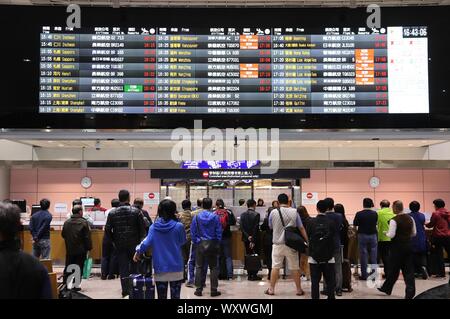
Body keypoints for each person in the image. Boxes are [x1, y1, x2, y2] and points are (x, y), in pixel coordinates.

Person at [134, 199, 186, 299]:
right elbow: (182, 241)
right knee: (176, 296)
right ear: (173, 211)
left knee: (161, 296)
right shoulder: (179, 226)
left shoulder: (153, 228)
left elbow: (145, 243)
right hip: (176, 267)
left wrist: (138, 251)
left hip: (160, 268)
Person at [0, 202, 52, 299]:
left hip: (35, 240)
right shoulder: (37, 267)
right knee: (45, 259)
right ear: (19, 226)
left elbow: (31, 227)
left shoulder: (34, 215)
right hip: (44, 239)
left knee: (35, 254)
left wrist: (35, 237)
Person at [264, 193, 308, 296]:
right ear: (288, 201)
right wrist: (307, 240)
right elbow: (301, 228)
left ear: (278, 202)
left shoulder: (273, 212)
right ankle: (298, 290)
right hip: (291, 244)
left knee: (275, 267)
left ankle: (271, 289)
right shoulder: (294, 212)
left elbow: (270, 226)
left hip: (277, 244)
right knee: (294, 267)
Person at [105, 189, 146, 298]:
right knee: (134, 267)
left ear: (119, 198)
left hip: (119, 244)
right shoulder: (137, 212)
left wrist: (114, 242)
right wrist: (141, 245)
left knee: (123, 268)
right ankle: (134, 290)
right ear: (129, 198)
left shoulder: (112, 213)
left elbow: (108, 231)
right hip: (134, 245)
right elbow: (143, 230)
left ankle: (125, 291)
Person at [378, 200, 416, 299]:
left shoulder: (394, 220)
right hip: (408, 246)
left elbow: (391, 235)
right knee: (408, 271)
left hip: (397, 248)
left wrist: (386, 233)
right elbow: (414, 233)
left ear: (395, 208)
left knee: (394, 269)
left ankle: (386, 288)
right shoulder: (410, 218)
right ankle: (409, 293)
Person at [191, 197, 222, 297]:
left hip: (200, 244)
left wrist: (197, 242)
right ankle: (213, 290)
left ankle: (198, 290)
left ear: (202, 205)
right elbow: (218, 231)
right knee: (213, 267)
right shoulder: (215, 217)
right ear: (211, 205)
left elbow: (193, 232)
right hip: (213, 243)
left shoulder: (196, 217)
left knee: (199, 267)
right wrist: (217, 243)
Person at [307, 200, 337, 299]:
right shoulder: (332, 222)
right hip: (329, 257)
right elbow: (334, 237)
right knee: (330, 281)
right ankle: (331, 297)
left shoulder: (311, 222)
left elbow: (308, 237)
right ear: (327, 209)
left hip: (314, 257)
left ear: (317, 208)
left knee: (315, 282)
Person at [62, 205, 93, 288]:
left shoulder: (66, 222)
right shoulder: (84, 222)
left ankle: (66, 284)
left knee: (69, 265)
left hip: (70, 249)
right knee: (79, 266)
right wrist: (89, 247)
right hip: (81, 249)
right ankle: (76, 285)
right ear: (80, 212)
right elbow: (87, 237)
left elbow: (63, 234)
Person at [322, 197, 343, 296]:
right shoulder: (339, 216)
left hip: (325, 244)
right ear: (332, 205)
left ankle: (326, 288)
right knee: (338, 267)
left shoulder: (323, 216)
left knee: (326, 267)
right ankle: (339, 289)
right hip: (336, 243)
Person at [353, 198, 378, 280]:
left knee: (363, 255)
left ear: (363, 204)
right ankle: (374, 274)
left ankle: (364, 275)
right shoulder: (375, 213)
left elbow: (355, 224)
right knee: (373, 255)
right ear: (371, 204)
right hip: (373, 235)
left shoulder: (359, 214)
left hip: (362, 235)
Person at [426, 199, 450, 278]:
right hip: (448, 236)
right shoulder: (448, 213)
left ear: (436, 205)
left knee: (438, 255)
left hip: (438, 236)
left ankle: (441, 273)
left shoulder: (435, 213)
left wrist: (426, 224)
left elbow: (431, 224)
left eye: (434, 205)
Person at [214, 198, 236, 280]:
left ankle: (217, 274)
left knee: (218, 256)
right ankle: (230, 275)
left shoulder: (214, 212)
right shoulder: (228, 212)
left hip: (217, 237)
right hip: (227, 236)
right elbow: (233, 222)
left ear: (216, 205)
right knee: (228, 257)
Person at [240, 199, 262, 281]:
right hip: (254, 238)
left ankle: (249, 274)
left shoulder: (243, 215)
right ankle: (254, 274)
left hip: (246, 239)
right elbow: (255, 228)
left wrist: (247, 236)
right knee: (255, 255)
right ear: (254, 205)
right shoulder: (256, 214)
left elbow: (241, 227)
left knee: (248, 255)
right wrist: (252, 239)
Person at [334, 203, 352, 292]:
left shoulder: (335, 219)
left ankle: (336, 284)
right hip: (345, 245)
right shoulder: (345, 221)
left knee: (336, 265)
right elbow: (348, 235)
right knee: (343, 263)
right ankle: (345, 283)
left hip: (336, 245)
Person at [408, 201, 429, 279]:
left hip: (412, 237)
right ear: (419, 207)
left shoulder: (408, 216)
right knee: (422, 254)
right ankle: (423, 267)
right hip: (422, 237)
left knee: (412, 255)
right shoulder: (422, 215)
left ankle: (415, 272)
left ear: (410, 208)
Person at [101, 198, 120, 280]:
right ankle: (111, 274)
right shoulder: (117, 212)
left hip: (106, 235)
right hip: (114, 235)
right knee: (113, 255)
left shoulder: (106, 211)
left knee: (105, 256)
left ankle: (103, 274)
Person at [261, 201, 279, 280]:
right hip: (276, 239)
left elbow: (262, 228)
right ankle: (275, 274)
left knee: (268, 257)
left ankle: (270, 273)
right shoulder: (278, 219)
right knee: (275, 258)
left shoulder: (266, 219)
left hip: (267, 240)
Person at [377, 200, 395, 277]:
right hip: (392, 238)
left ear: (381, 205)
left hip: (382, 237)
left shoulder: (378, 213)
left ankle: (387, 273)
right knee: (391, 256)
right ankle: (391, 272)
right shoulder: (393, 213)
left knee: (384, 256)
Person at [178, 199, 193, 281]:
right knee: (191, 258)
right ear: (190, 205)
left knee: (182, 258)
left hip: (181, 238)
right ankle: (190, 277)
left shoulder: (179, 215)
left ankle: (182, 276)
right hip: (191, 238)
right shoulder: (193, 214)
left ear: (182, 206)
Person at [297, 206, 311, 281]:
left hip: (298, 241)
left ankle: (301, 273)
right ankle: (307, 274)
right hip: (307, 241)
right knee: (306, 259)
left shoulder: (297, 221)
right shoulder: (309, 219)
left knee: (299, 259)